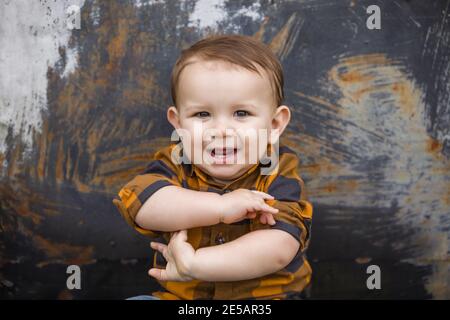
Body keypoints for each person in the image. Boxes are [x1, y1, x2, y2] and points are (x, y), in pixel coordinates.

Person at [113, 34, 313, 300]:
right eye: (202, 114)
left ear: (275, 125)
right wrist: (220, 208)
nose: (221, 130)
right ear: (179, 124)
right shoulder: (176, 162)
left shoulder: (277, 172)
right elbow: (142, 204)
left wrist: (195, 263)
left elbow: (279, 246)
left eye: (241, 113)